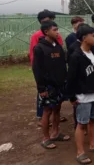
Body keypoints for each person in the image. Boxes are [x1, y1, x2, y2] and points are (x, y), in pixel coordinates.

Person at [67, 24, 94, 164]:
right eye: (93, 36)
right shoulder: (76, 56)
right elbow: (71, 78)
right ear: (84, 38)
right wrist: (72, 96)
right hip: (83, 97)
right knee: (81, 124)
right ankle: (80, 152)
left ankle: (93, 144)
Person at [32, 21, 70, 149]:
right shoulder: (39, 48)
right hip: (48, 86)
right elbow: (37, 69)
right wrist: (41, 88)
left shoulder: (58, 46)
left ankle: (55, 133)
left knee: (57, 109)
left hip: (59, 84)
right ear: (46, 32)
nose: (57, 32)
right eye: (54, 30)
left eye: (57, 29)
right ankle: (46, 138)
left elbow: (62, 65)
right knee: (47, 111)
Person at [30, 10, 65, 125]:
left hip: (57, 74)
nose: (51, 21)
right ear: (42, 21)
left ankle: (55, 119)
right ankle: (41, 116)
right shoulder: (37, 37)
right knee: (44, 98)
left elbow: (59, 49)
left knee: (57, 100)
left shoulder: (56, 37)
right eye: (48, 19)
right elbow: (35, 56)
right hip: (45, 74)